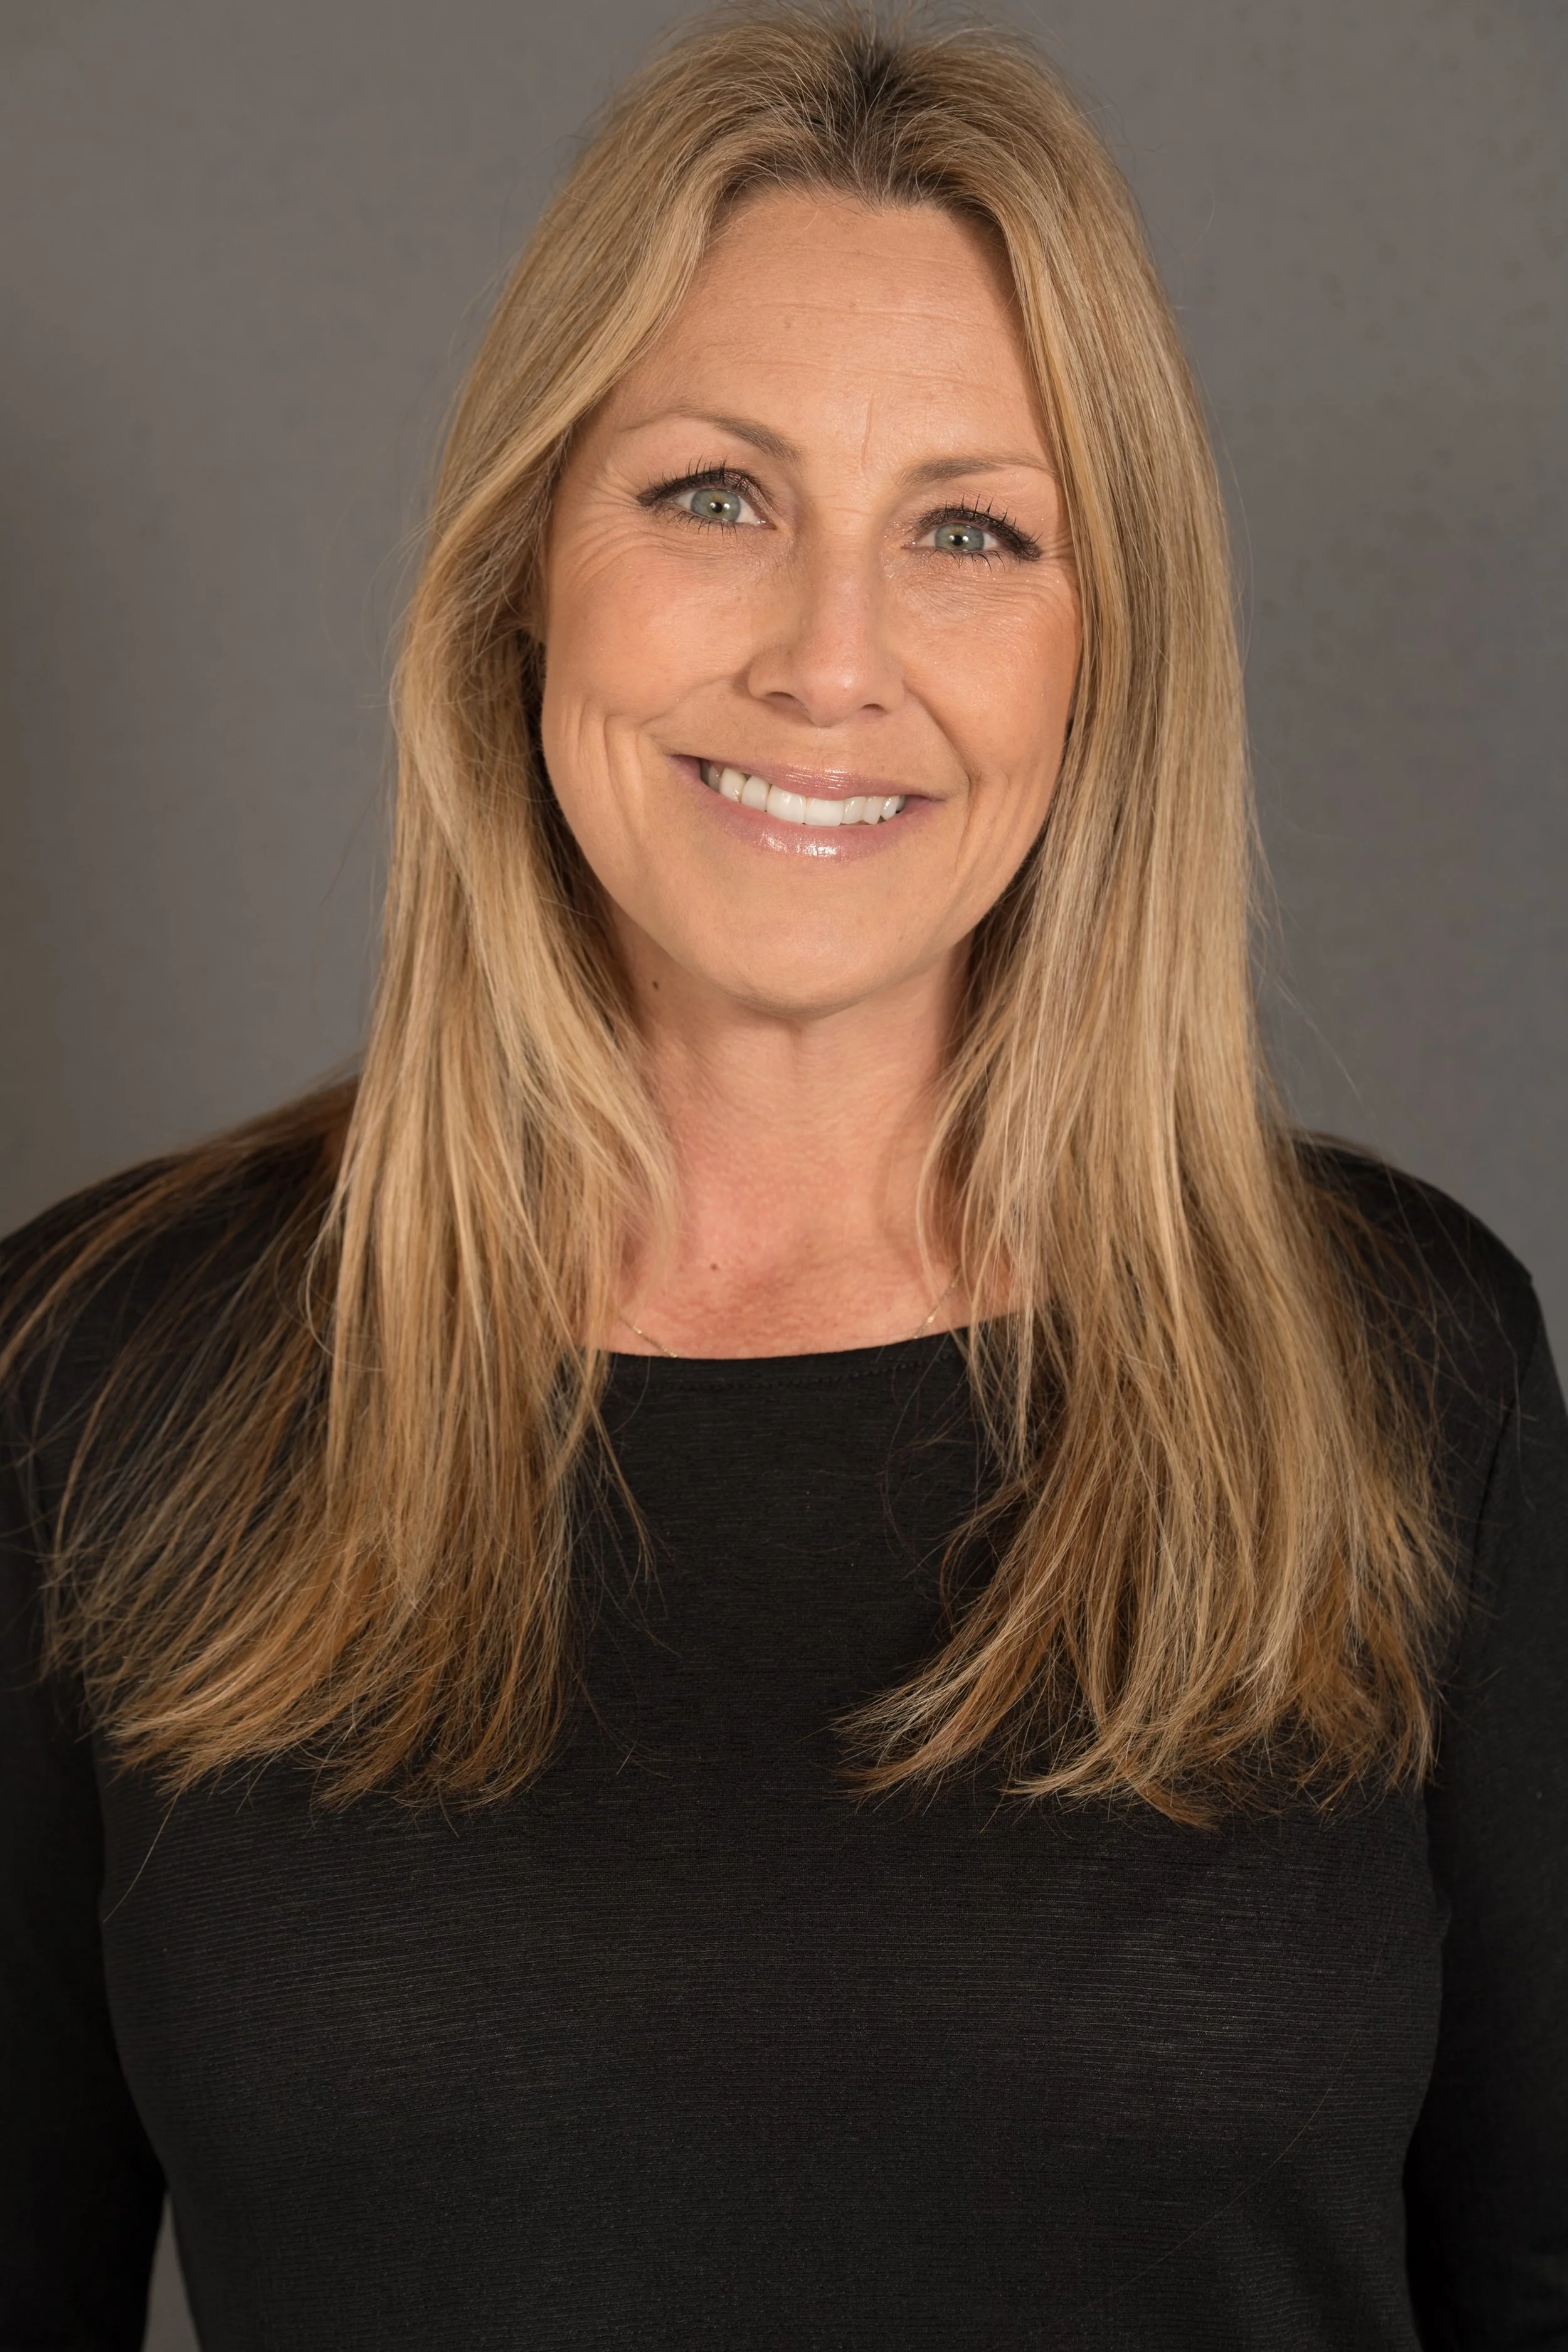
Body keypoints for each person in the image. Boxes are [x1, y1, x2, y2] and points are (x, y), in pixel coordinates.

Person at [3, 8, 1563, 2347]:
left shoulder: (1394, 1358)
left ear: (1100, 649)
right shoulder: (102, 1376)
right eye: (712, 493)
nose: (830, 659)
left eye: (968, 528)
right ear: (531, 557)